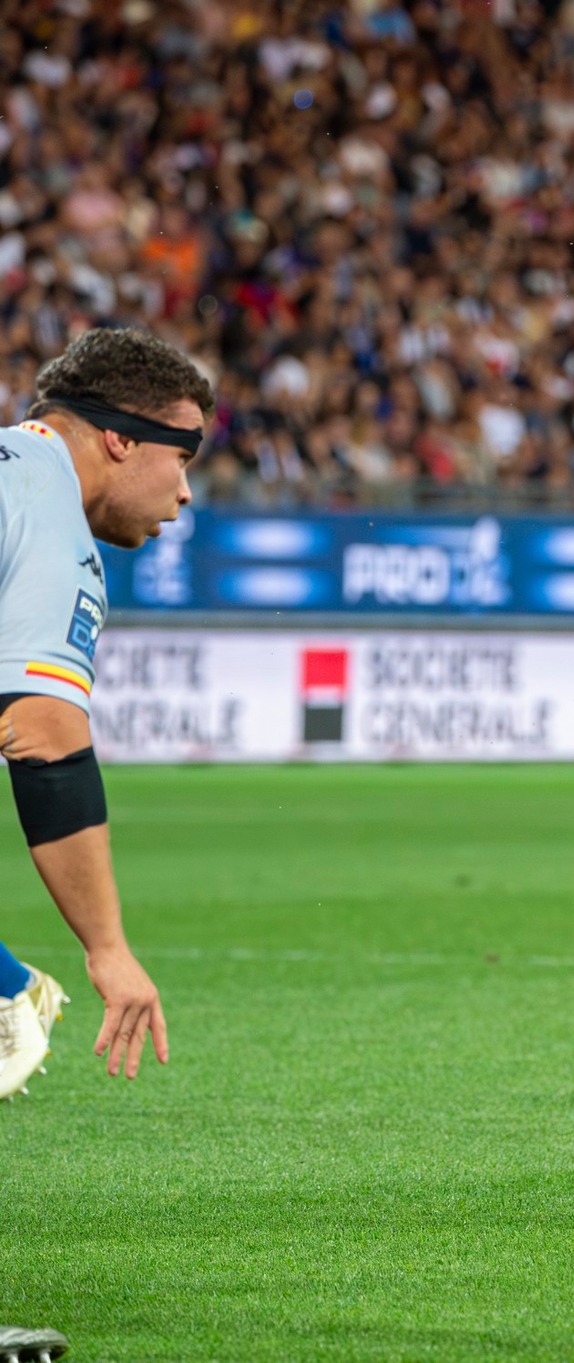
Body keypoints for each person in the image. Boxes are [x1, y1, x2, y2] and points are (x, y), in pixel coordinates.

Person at [0, 326, 204, 1359]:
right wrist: (109, 949)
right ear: (121, 440)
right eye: (186, 455)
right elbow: (44, 733)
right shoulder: (47, 512)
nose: (185, 494)